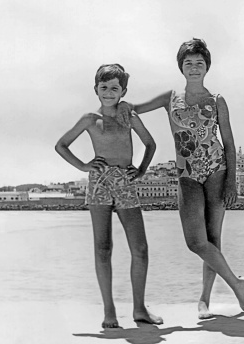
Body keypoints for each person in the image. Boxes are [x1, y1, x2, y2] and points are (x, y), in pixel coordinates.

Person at [118, 38, 244, 319]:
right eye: (188, 63)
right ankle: (237, 284)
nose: (194, 68)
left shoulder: (217, 101)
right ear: (181, 67)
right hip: (186, 174)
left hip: (217, 170)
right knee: (195, 242)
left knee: (213, 239)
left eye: (199, 63)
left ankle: (204, 301)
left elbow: (228, 142)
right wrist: (117, 101)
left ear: (207, 68)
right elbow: (134, 109)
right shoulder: (170, 97)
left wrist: (232, 182)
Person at [55, 64, 162, 327]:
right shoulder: (90, 118)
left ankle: (139, 309)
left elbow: (150, 143)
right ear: (96, 89)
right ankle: (109, 312)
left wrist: (141, 170)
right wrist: (83, 166)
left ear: (123, 90)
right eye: (104, 87)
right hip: (99, 183)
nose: (109, 92)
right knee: (103, 248)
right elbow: (61, 145)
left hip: (125, 181)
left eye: (115, 88)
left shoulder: (129, 115)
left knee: (140, 248)